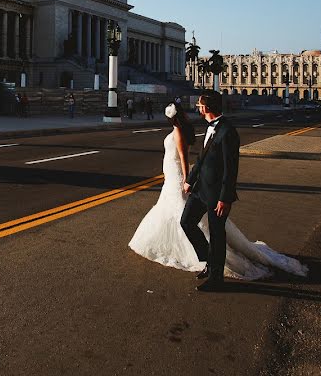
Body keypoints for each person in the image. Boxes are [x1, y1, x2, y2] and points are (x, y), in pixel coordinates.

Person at [128, 94, 307, 291]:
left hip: (217, 194)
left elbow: (231, 170)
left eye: (200, 105)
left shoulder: (228, 131)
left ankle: (216, 278)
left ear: (207, 108)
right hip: (200, 189)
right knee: (186, 221)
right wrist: (189, 180)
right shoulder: (210, 127)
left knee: (217, 234)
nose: (198, 108)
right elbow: (203, 159)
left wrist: (225, 198)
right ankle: (208, 260)